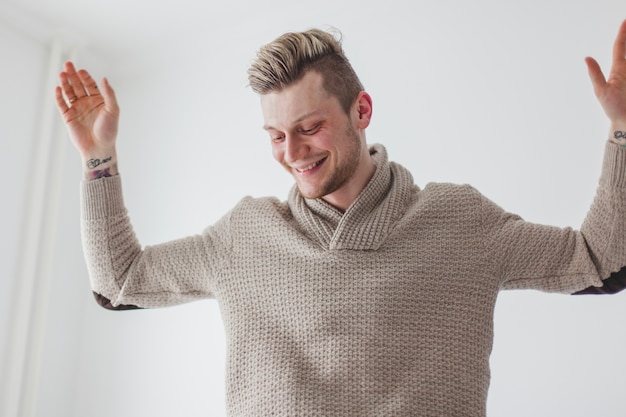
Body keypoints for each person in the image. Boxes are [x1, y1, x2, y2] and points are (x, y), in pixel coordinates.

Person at [55, 21, 626, 417]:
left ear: (362, 110)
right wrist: (98, 160)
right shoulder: (245, 238)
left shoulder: (459, 221)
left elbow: (602, 261)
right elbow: (119, 283)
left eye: (308, 127)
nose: (293, 152)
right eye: (276, 136)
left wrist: (623, 131)